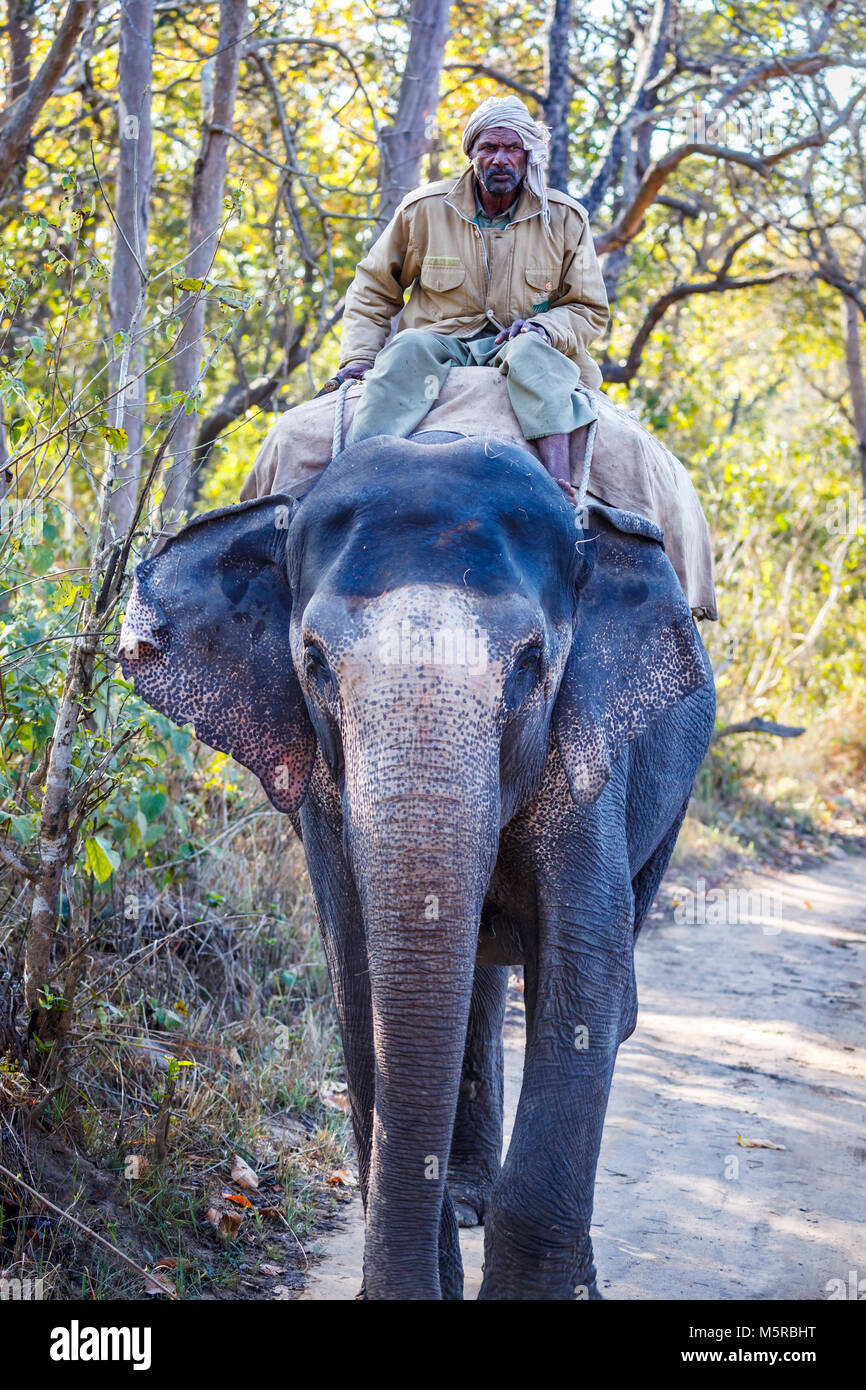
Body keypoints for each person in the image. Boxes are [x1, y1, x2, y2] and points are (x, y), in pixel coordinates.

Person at [320, 94, 610, 494]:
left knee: (533, 355)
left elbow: (588, 308)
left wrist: (544, 329)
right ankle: (353, 478)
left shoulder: (564, 218)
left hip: (521, 344)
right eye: (489, 147)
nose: (500, 159)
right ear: (471, 153)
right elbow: (374, 286)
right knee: (406, 348)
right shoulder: (423, 209)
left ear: (529, 156)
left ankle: (559, 487)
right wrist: (358, 358)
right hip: (442, 342)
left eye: (512, 148)